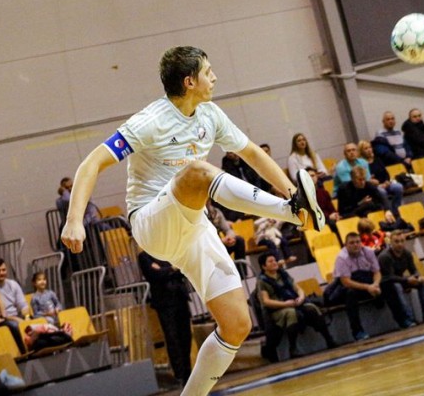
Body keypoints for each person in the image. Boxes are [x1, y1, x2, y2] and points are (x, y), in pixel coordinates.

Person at [60, 46, 323, 396]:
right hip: (151, 221)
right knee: (197, 172)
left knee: (237, 325)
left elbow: (252, 154)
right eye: (208, 71)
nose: (214, 77)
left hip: (193, 226)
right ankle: (289, 211)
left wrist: (293, 189)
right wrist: (74, 219)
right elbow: (91, 163)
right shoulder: (150, 121)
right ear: (189, 81)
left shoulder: (210, 115)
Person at [256, 252, 335, 361]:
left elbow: (298, 289)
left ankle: (329, 339)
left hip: (292, 303)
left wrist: (301, 297)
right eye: (270, 261)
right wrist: (285, 304)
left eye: (275, 260)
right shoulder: (261, 281)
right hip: (276, 310)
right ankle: (293, 348)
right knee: (291, 313)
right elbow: (266, 302)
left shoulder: (283, 274)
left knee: (311, 308)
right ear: (264, 266)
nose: (274, 263)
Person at [137, 251, 192, 388]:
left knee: (186, 336)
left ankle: (188, 372)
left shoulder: (169, 250)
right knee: (172, 338)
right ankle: (180, 375)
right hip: (164, 301)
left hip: (180, 296)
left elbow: (184, 269)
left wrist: (165, 270)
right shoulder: (145, 256)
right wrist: (172, 268)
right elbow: (154, 275)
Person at [378, 231, 424, 328]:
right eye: (396, 241)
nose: (400, 244)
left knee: (422, 283)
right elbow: (389, 277)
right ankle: (409, 318)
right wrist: (407, 280)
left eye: (402, 241)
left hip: (400, 280)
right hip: (386, 284)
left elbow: (414, 270)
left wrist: (418, 277)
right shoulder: (385, 256)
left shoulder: (407, 253)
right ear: (390, 242)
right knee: (397, 286)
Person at [325, 233, 382, 342]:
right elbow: (346, 282)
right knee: (350, 293)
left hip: (364, 285)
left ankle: (404, 319)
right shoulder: (342, 257)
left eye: (357, 242)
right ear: (345, 245)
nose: (355, 245)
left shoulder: (368, 252)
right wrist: (368, 288)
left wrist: (376, 284)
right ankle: (357, 331)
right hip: (343, 289)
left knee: (388, 282)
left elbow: (377, 272)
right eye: (351, 243)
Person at [0, 258, 30, 353]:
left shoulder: (13, 284)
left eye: (3, 270)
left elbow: (22, 304)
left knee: (34, 320)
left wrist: (27, 316)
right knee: (14, 325)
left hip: (16, 316)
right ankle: (24, 352)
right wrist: (15, 319)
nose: (1, 273)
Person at [358, 140, 403, 214]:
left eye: (370, 147)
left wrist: (387, 181)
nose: (369, 150)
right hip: (374, 187)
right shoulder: (362, 164)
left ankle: (396, 209)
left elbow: (386, 173)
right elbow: (367, 180)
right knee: (382, 191)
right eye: (366, 148)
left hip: (384, 183)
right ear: (361, 151)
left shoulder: (377, 159)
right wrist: (378, 185)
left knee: (399, 187)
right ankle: (388, 211)